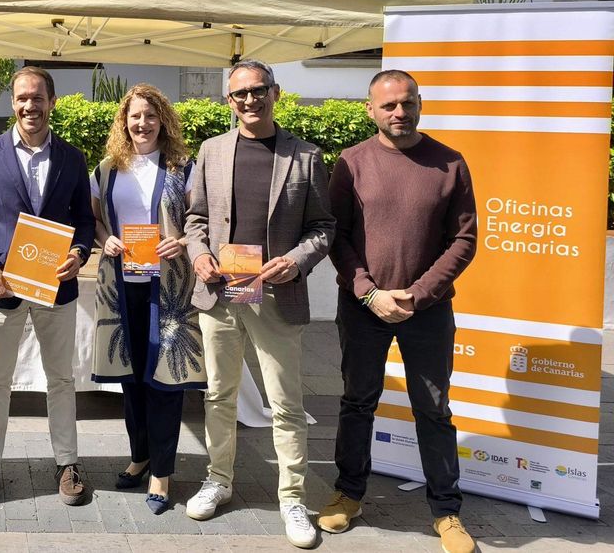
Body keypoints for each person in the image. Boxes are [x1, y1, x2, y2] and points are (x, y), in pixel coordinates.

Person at [317, 70, 477, 553]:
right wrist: (370, 293)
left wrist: (418, 294)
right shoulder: (350, 163)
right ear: (370, 110)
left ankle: (446, 512)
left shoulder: (450, 163)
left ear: (420, 104)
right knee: (357, 401)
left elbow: (464, 240)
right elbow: (335, 235)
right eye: (388, 106)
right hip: (364, 306)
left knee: (433, 409)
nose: (399, 113)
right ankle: (348, 495)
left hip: (426, 311)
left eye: (407, 103)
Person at [183, 59, 334, 548]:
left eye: (258, 90)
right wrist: (200, 254)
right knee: (218, 395)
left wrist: (296, 259)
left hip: (276, 293)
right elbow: (195, 218)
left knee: (285, 403)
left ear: (276, 92)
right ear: (229, 100)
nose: (249, 100)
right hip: (222, 293)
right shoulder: (211, 150)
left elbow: (324, 228)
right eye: (239, 93)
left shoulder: (306, 156)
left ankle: (292, 497)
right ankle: (219, 480)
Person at [0, 66, 96, 506]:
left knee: (61, 378)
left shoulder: (73, 159)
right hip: (2, 289)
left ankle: (67, 462)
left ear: (51, 102)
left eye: (38, 98)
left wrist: (78, 253)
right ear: (12, 104)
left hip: (57, 289)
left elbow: (85, 223)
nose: (29, 106)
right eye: (22, 98)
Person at [89, 84, 203, 515]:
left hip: (169, 290)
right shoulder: (105, 169)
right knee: (131, 380)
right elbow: (95, 220)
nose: (142, 124)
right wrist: (107, 240)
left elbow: (199, 220)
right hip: (120, 289)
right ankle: (140, 455)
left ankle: (162, 471)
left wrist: (181, 241)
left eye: (151, 116)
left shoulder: (182, 168)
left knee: (166, 382)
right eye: (135, 116)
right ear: (124, 121)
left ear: (163, 120)